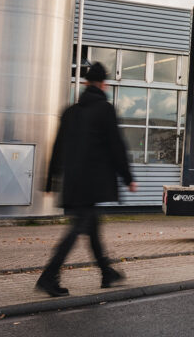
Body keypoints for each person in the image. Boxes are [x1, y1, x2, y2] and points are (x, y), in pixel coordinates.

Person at [36, 62, 137, 297]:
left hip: (73, 183)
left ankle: (106, 272)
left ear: (84, 83)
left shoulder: (69, 111)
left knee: (91, 227)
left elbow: (58, 147)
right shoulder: (105, 109)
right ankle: (48, 276)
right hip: (92, 184)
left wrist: (51, 180)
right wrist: (128, 178)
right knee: (77, 229)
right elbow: (116, 146)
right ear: (103, 84)